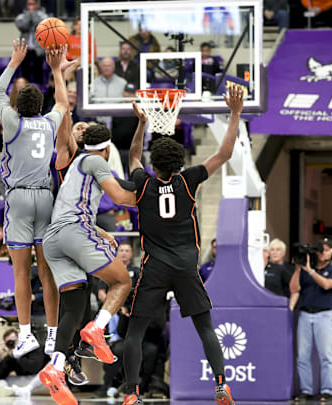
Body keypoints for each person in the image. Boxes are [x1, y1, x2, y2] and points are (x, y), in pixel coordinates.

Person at [122, 85, 245, 405]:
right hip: (186, 265)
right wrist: (234, 114)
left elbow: (134, 156)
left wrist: (141, 124)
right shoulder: (188, 180)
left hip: (155, 266)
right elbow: (224, 154)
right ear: (178, 162)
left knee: (135, 331)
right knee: (205, 327)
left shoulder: (142, 182)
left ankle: (132, 393)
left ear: (154, 162)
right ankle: (220, 385)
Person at [39, 124, 138, 405]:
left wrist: (99, 231)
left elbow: (74, 206)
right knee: (122, 281)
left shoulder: (76, 165)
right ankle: (97, 329)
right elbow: (119, 196)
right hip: (73, 232)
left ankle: (56, 367)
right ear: (107, 149)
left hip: (54, 240)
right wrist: (154, 200)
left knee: (75, 306)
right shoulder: (96, 160)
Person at [0, 40, 67, 358]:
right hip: (46, 198)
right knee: (47, 271)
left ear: (18, 106)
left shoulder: (11, 123)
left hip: (19, 199)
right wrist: (56, 71)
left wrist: (14, 62)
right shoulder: (49, 123)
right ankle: (52, 333)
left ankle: (25, 334)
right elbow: (63, 104)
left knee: (21, 272)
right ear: (39, 107)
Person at [289, 239, 332, 401]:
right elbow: (294, 289)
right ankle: (306, 389)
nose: (323, 253)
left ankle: (326, 389)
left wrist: (311, 271)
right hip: (305, 313)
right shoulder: (305, 270)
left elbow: (327, 285)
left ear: (331, 253)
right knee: (302, 355)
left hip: (324, 314)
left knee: (325, 354)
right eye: (321, 250)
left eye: (326, 250)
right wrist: (299, 269)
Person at [0, 329, 46, 398]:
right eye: (9, 342)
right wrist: (0, 357)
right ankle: (9, 391)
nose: (12, 344)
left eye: (14, 341)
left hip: (41, 381)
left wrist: (17, 356)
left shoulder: (34, 347)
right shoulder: (11, 355)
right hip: (25, 382)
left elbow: (34, 368)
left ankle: (17, 391)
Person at [14, 0, 48, 84]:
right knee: (25, 72)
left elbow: (41, 26)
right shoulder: (21, 16)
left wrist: (34, 15)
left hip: (38, 49)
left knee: (38, 72)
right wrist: (29, 15)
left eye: (33, 4)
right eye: (29, 4)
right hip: (25, 49)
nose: (31, 6)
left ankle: (38, 92)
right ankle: (25, 92)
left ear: (37, 4)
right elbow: (23, 26)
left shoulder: (44, 15)